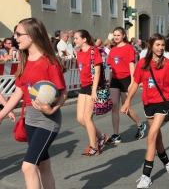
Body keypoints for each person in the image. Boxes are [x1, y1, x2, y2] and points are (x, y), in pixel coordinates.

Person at [0, 17, 67, 189]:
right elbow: (19, 92)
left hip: (47, 120)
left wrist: (52, 110)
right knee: (43, 166)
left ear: (31, 35)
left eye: (18, 34)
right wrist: (1, 114)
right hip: (30, 117)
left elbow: (63, 93)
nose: (15, 38)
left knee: (28, 167)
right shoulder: (24, 60)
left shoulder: (49, 63)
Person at [120, 33, 169, 188]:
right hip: (148, 103)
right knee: (157, 138)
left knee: (151, 136)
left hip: (163, 103)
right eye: (157, 45)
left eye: (162, 45)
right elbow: (135, 84)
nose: (160, 48)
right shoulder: (142, 64)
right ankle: (167, 163)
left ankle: (146, 175)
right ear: (151, 45)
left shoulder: (168, 64)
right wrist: (127, 101)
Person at [106, 27, 145, 144]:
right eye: (115, 35)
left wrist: (133, 82)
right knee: (114, 107)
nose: (116, 37)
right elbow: (112, 68)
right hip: (115, 80)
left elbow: (131, 66)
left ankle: (140, 125)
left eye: (118, 35)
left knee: (126, 109)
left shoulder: (129, 48)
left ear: (123, 35)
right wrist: (109, 82)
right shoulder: (112, 50)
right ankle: (116, 134)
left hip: (126, 79)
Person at [74, 29, 109, 156]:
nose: (75, 40)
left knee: (87, 118)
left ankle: (94, 147)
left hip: (92, 85)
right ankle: (101, 136)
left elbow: (98, 71)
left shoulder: (94, 51)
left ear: (84, 39)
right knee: (80, 119)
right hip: (83, 85)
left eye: (77, 38)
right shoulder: (78, 52)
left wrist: (94, 91)